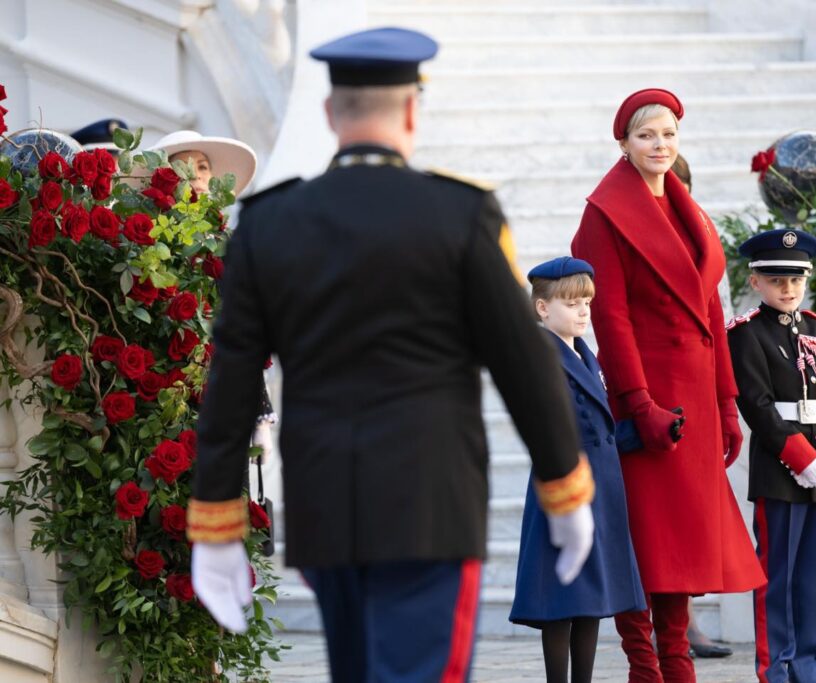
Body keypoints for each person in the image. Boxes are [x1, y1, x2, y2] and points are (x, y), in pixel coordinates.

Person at [185, 27, 596, 683]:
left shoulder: (268, 221)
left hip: (327, 506)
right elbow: (524, 362)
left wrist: (215, 522)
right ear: (411, 110)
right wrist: (566, 486)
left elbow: (231, 381)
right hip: (431, 504)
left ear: (329, 114)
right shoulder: (462, 212)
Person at [571, 88, 766, 682]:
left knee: (681, 538)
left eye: (668, 135)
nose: (660, 145)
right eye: (646, 136)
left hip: (697, 398)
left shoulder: (687, 208)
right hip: (648, 396)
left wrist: (728, 402)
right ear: (624, 144)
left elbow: (711, 309)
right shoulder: (604, 213)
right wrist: (637, 402)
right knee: (645, 538)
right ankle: (644, 665)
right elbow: (612, 318)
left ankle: (676, 659)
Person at [510, 256, 652, 683]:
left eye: (587, 302)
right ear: (542, 308)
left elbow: (601, 429)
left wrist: (645, 431)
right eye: (572, 304)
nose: (584, 311)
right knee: (561, 600)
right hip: (565, 489)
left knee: (589, 599)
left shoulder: (586, 356)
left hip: (601, 490)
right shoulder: (538, 356)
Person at [726, 229, 816, 683]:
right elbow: (757, 407)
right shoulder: (746, 335)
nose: (788, 288)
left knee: (810, 579)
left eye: (796, 279)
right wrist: (802, 458)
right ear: (756, 281)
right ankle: (775, 667)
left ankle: (809, 664)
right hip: (781, 471)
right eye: (777, 279)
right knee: (775, 577)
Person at [147, 130, 277, 455]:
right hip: (172, 383)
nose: (196, 176)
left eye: (203, 167)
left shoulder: (228, 241)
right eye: (184, 167)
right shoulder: (153, 242)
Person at [668, 153, 734, 662]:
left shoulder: (705, 236)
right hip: (662, 388)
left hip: (704, 384)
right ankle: (673, 627)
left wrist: (726, 400)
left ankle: (683, 622)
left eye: (681, 182)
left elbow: (722, 318)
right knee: (671, 514)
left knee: (696, 512)